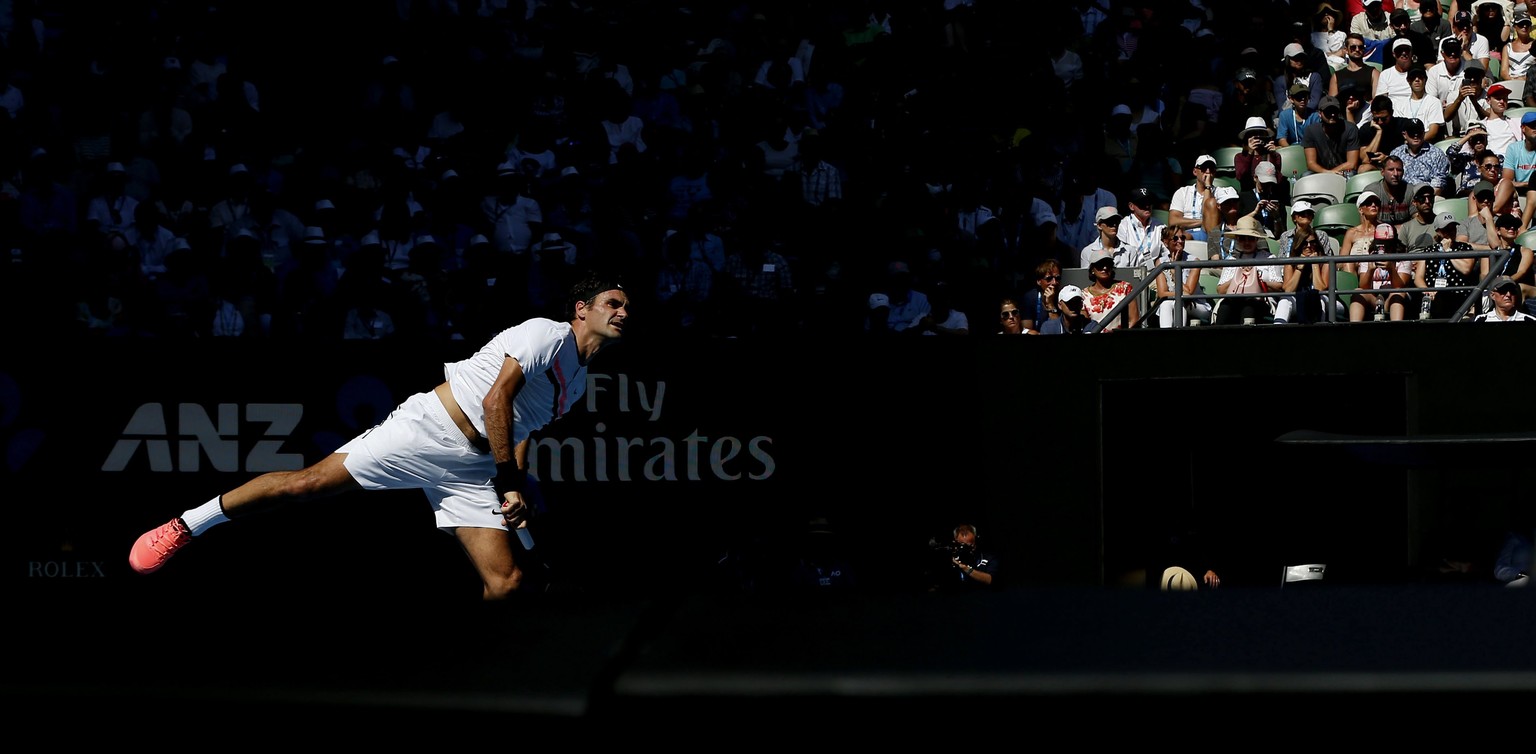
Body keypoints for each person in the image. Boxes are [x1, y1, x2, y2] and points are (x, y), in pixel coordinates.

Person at [127, 273, 632, 600]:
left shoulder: (580, 382)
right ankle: (187, 524)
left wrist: (510, 483)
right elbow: (496, 401)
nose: (623, 313)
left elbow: (521, 427)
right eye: (613, 303)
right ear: (581, 309)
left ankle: (484, 672)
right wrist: (509, 478)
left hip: (474, 471)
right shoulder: (546, 333)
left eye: (627, 308)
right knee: (305, 485)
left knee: (506, 582)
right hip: (427, 429)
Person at [1213, 215, 1287, 325]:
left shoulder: (1269, 258)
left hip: (1261, 301)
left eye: (1251, 238)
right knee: (1224, 307)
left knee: (1249, 306)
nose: (1247, 242)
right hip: (1234, 300)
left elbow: (1279, 287)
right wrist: (1238, 276)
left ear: (1257, 239)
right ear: (1237, 239)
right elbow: (1220, 290)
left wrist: (1258, 279)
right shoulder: (1231, 260)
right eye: (1242, 238)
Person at [1414, 212, 1484, 320]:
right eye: (1446, 229)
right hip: (1434, 295)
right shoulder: (1429, 251)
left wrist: (1448, 252)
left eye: (1453, 228)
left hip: (1457, 294)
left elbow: (1466, 269)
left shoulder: (1465, 248)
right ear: (1438, 231)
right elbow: (1418, 277)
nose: (1450, 232)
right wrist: (1427, 290)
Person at [1350, 222, 1414, 320]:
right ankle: (1353, 331)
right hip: (1373, 297)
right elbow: (1363, 286)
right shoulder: (1368, 256)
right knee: (1358, 292)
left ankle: (1397, 331)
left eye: (1387, 243)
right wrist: (1370, 271)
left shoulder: (1403, 257)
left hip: (1393, 297)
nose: (1383, 246)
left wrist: (1391, 269)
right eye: (1380, 242)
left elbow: (1400, 286)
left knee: (1397, 293)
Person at [1152, 226, 1209, 327]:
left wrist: (1174, 274)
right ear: (1165, 242)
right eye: (1175, 238)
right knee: (1167, 303)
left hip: (1196, 304)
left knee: (1179, 303)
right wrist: (1180, 295)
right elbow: (1162, 293)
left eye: (1182, 238)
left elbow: (1189, 292)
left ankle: (1179, 338)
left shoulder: (1194, 262)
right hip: (1173, 301)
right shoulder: (1161, 262)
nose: (1180, 241)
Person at [1282, 227, 1340, 323]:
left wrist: (1315, 264)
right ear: (1298, 244)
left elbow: (1320, 288)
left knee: (1319, 299)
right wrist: (1299, 268)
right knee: (1284, 301)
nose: (1309, 246)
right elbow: (1288, 290)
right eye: (1305, 243)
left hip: (1329, 301)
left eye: (1312, 242)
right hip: (1300, 300)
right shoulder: (1290, 262)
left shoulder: (1326, 262)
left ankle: (1319, 332)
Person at [926, 523, 998, 593]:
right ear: (955, 541)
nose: (966, 549)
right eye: (962, 545)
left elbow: (990, 580)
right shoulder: (948, 558)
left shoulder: (988, 557)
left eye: (970, 545)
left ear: (976, 539)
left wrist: (965, 568)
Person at [1303, 95, 1363, 176]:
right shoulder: (1311, 131)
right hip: (1322, 171)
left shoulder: (1350, 129)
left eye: (1335, 111)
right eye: (1328, 111)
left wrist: (1332, 172)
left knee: (1351, 174)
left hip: (1344, 171)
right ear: (1320, 114)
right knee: (1306, 175)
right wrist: (1327, 173)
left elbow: (1352, 163)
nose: (1332, 114)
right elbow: (1311, 163)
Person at [1082, 248, 1140, 331]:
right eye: (1100, 264)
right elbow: (1085, 325)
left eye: (1108, 264)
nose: (1105, 268)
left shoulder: (1125, 288)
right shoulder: (1084, 295)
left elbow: (1134, 320)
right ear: (1092, 270)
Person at [1019, 258, 1062, 333]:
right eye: (1049, 279)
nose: (1054, 282)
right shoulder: (1030, 297)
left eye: (1057, 278)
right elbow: (1027, 331)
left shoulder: (1063, 296)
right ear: (1039, 281)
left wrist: (1050, 305)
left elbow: (1058, 330)